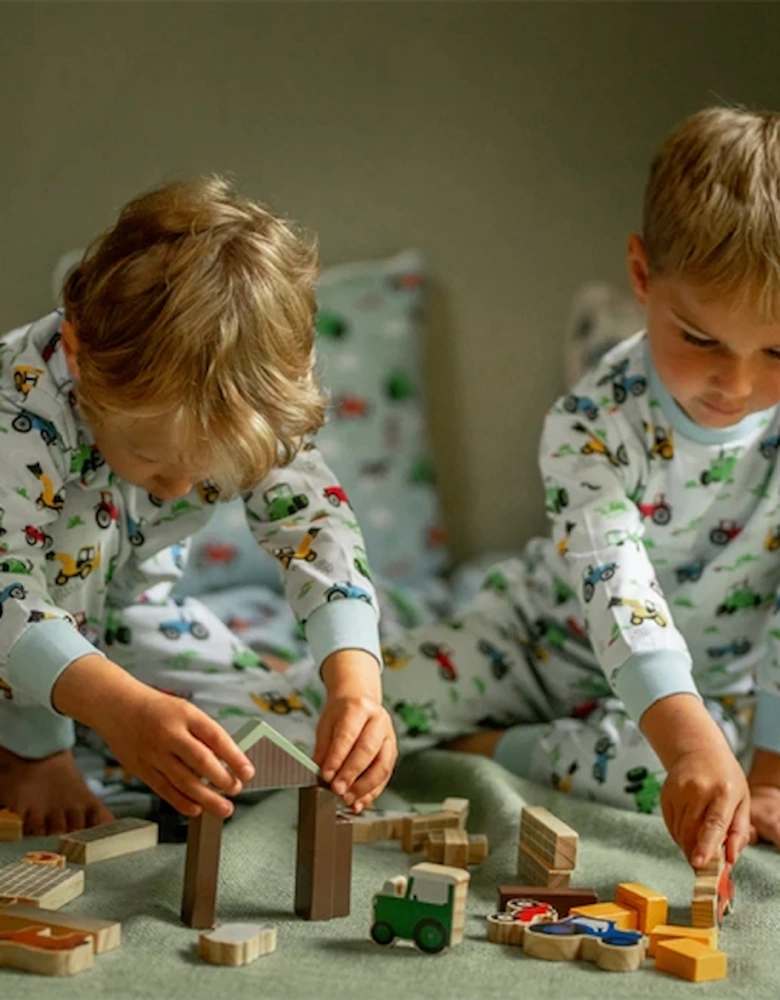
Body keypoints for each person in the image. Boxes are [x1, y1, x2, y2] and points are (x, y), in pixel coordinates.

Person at [378, 106, 780, 870]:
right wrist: (690, 740)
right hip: (538, 642)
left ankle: (490, 748)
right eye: (701, 339)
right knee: (356, 706)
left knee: (676, 784)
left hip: (712, 694)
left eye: (778, 351)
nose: (737, 382)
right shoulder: (591, 422)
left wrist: (766, 775)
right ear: (641, 277)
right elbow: (616, 585)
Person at [0, 177, 396, 835]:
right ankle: (28, 749)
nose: (180, 489)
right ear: (79, 357)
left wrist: (356, 687)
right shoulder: (16, 407)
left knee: (280, 751)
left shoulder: (252, 408)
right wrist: (113, 714)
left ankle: (102, 732)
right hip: (16, 620)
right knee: (68, 549)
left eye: (208, 473)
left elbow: (316, 528)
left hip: (125, 624)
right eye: (156, 463)